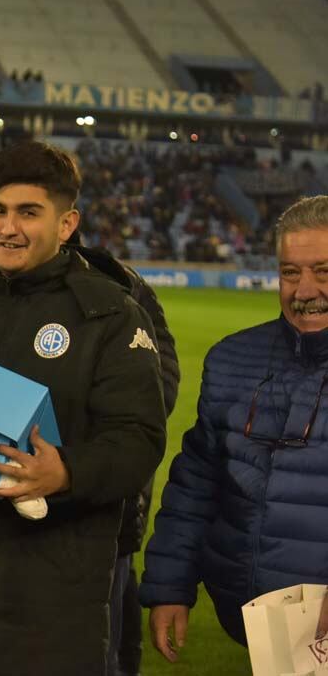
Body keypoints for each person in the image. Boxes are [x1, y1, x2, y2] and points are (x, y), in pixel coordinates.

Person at [0, 139, 166, 675]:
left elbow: (138, 438)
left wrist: (65, 472)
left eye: (28, 213)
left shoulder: (109, 314)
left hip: (48, 598)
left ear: (67, 224)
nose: (7, 228)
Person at [141, 194, 328, 663]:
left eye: (324, 272)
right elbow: (195, 484)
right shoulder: (231, 358)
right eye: (290, 272)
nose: (304, 290)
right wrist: (171, 584)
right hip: (259, 626)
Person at [66, 232, 181, 676]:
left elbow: (159, 387)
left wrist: (86, 453)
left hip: (106, 510)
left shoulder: (124, 287)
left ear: (66, 223)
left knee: (106, 649)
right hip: (11, 516)